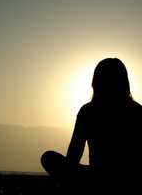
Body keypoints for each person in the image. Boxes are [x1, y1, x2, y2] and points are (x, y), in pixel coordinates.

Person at [41, 58, 142, 192]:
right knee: (49, 157)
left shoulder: (88, 111)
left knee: (49, 158)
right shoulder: (137, 111)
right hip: (126, 179)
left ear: (95, 82)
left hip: (98, 179)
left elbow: (74, 154)